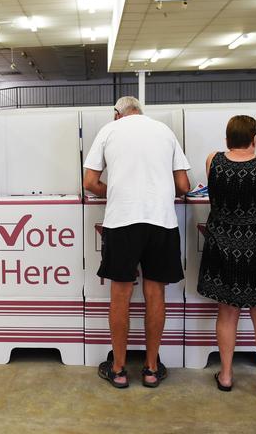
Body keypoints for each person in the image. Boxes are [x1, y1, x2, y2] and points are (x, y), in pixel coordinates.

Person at [83, 96, 190, 388]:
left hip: (122, 221)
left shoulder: (109, 130)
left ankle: (118, 369)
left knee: (120, 295)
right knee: (155, 294)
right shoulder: (164, 131)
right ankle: (151, 368)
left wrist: (117, 190)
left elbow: (90, 182)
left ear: (117, 114)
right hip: (161, 221)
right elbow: (183, 186)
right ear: (139, 111)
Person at [198, 115, 256, 402]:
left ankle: (225, 376)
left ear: (227, 139)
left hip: (222, 242)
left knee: (227, 312)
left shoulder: (213, 160)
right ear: (255, 139)